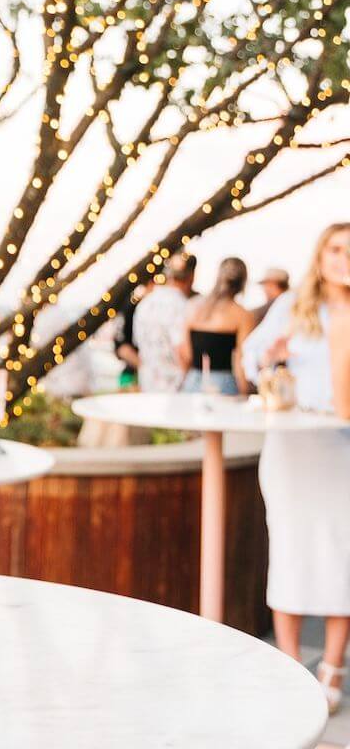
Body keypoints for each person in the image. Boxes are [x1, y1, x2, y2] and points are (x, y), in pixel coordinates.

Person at [242, 222, 350, 715]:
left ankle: (332, 666)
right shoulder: (292, 306)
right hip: (290, 449)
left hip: (342, 447)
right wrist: (269, 358)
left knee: (341, 556)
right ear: (320, 255)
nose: (342, 258)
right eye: (335, 248)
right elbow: (250, 360)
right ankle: (289, 664)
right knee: (288, 552)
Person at [178, 257, 255, 395]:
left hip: (192, 382)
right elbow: (241, 361)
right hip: (223, 385)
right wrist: (245, 394)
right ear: (243, 282)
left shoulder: (193, 307)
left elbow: (185, 354)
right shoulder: (242, 315)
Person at [132, 253, 196, 392]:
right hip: (174, 387)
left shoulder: (144, 304)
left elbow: (139, 345)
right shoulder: (182, 306)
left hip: (148, 384)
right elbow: (182, 350)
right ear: (191, 277)